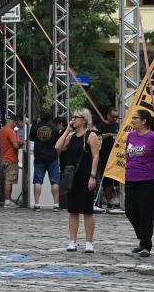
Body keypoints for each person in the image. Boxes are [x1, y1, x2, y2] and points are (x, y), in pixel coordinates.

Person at [123, 108, 154, 257]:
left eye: (135, 119)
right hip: (131, 178)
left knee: (145, 213)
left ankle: (146, 244)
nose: (133, 121)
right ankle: (142, 238)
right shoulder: (131, 136)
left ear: (144, 121)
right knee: (130, 211)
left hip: (148, 181)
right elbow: (128, 154)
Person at [56, 108, 101, 253]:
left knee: (87, 210)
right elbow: (58, 147)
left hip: (86, 176)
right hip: (72, 177)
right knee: (73, 210)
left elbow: (95, 156)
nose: (73, 119)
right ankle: (72, 241)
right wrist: (67, 130)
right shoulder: (71, 136)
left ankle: (89, 242)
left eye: (76, 117)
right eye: (73, 117)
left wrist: (93, 176)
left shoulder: (91, 135)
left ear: (84, 120)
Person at [31, 108, 61, 212]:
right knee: (55, 181)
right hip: (52, 157)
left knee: (38, 181)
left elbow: (31, 138)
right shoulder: (54, 127)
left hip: (39, 157)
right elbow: (58, 141)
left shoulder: (35, 127)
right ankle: (56, 204)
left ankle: (37, 204)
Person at [96, 107, 120, 208]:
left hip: (117, 157)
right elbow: (98, 136)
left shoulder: (117, 125)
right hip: (104, 157)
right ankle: (109, 200)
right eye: (113, 117)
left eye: (117, 117)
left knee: (117, 180)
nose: (115, 119)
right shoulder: (101, 125)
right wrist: (109, 135)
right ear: (108, 115)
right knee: (107, 180)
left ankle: (118, 199)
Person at [0, 114, 21, 208]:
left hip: (3, 158)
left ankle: (8, 200)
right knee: (9, 181)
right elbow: (15, 146)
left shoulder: (1, 130)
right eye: (15, 124)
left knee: (7, 180)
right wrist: (21, 144)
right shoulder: (11, 131)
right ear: (13, 121)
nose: (16, 126)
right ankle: (7, 201)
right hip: (11, 158)